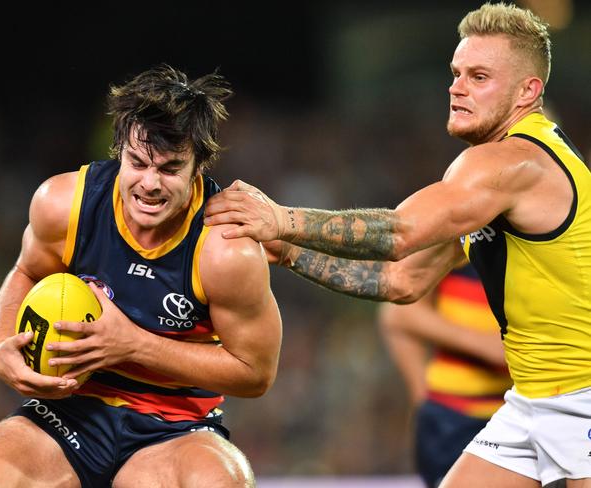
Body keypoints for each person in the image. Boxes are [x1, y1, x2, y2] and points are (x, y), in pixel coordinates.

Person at [205, 2, 591, 486]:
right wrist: (286, 252)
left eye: (479, 76)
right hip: (534, 399)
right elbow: (403, 281)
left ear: (527, 91)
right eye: (455, 73)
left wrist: (280, 218)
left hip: (581, 398)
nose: (456, 87)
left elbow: (399, 232)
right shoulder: (490, 185)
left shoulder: (511, 162)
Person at [0, 64, 282, 488]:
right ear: (118, 148)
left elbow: (255, 373)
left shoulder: (225, 249)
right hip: (69, 413)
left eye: (170, 168)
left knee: (220, 481)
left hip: (175, 427)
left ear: (198, 165)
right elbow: (26, 272)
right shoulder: (64, 203)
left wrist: (133, 344)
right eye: (137, 162)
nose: (149, 184)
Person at [379, 263, 511, 487]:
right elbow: (398, 313)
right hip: (454, 420)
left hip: (523, 412)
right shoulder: (457, 240)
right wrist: (483, 344)